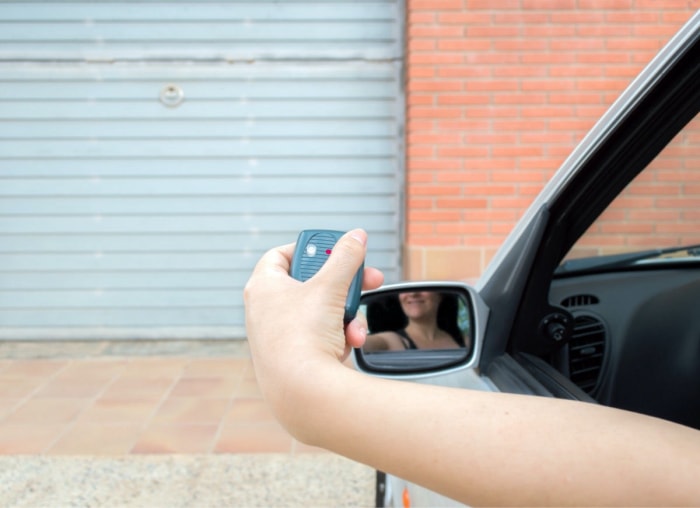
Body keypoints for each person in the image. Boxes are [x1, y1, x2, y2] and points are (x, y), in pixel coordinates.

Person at [244, 229, 700, 506]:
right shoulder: (385, 341)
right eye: (407, 294)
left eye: (421, 293)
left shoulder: (453, 339)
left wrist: (300, 379)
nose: (414, 295)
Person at [364, 291, 464, 351]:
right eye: (405, 288)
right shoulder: (393, 340)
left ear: (439, 296)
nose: (413, 294)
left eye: (423, 287)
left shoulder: (466, 342)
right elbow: (362, 344)